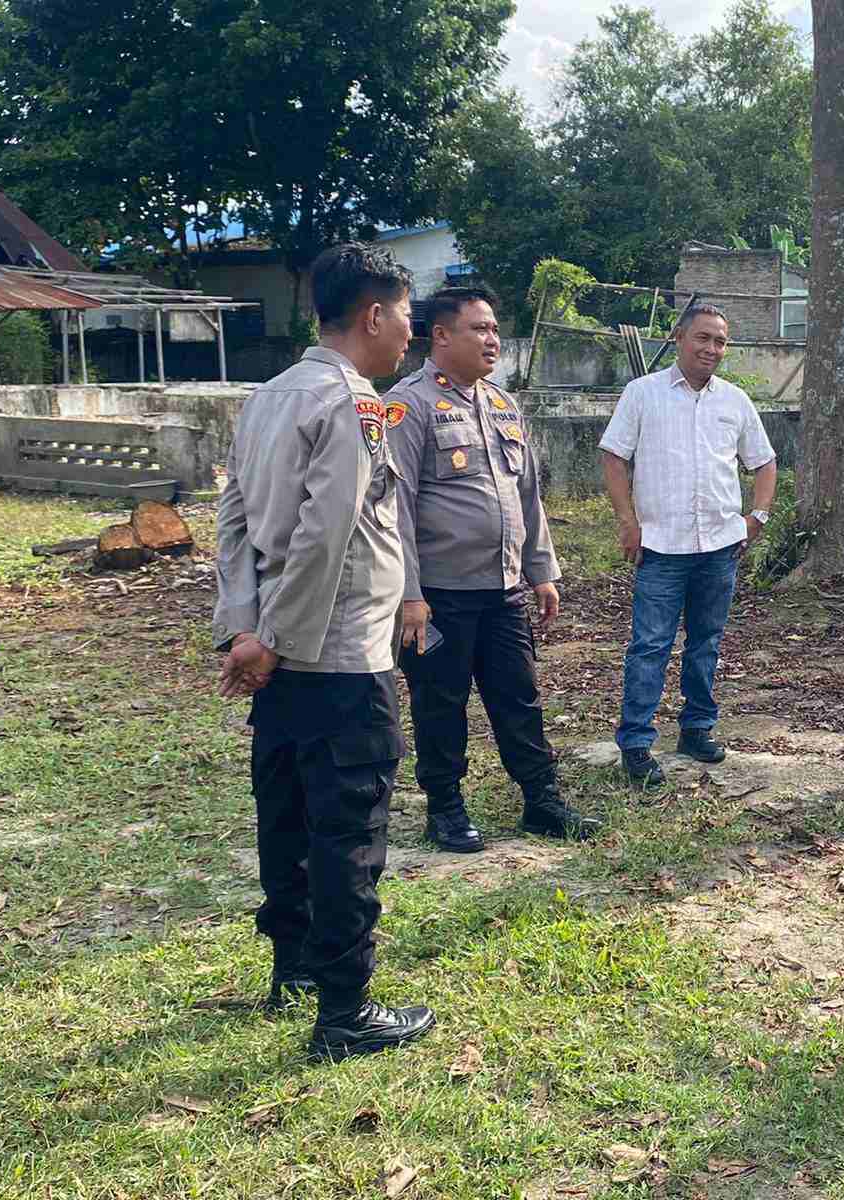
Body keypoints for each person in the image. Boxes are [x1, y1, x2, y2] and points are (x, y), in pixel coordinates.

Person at [212, 242, 435, 1062]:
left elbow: (234, 520)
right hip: (337, 657)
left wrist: (246, 626)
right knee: (347, 830)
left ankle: (296, 967)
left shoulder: (269, 395)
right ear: (372, 315)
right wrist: (270, 639)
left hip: (282, 656)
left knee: (288, 817)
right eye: (407, 316)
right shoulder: (350, 403)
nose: (409, 333)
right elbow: (327, 535)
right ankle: (345, 1010)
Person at [383, 284, 598, 849]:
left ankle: (542, 801)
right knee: (441, 705)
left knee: (519, 698)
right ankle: (446, 809)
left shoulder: (503, 404)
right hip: (438, 595)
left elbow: (528, 496)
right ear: (442, 336)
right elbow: (395, 508)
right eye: (479, 328)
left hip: (503, 591)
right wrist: (408, 593)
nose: (493, 340)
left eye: (496, 329)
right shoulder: (408, 408)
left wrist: (542, 571)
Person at [598, 303, 777, 787]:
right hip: (661, 547)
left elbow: (763, 463)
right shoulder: (643, 394)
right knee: (650, 645)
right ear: (679, 338)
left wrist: (756, 516)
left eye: (719, 341)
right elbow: (614, 458)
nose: (711, 349)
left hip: (720, 546)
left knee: (706, 644)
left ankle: (697, 728)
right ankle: (635, 742)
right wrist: (627, 521)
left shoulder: (735, 401)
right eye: (702, 338)